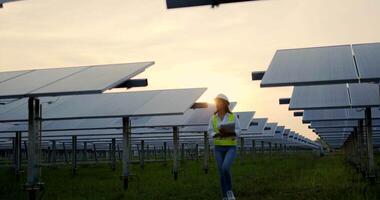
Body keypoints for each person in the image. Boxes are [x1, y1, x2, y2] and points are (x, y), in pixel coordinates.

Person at [208, 94, 241, 200]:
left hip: (230, 147)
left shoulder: (232, 116)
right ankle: (224, 196)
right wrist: (215, 135)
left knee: (225, 168)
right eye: (216, 102)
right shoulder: (213, 118)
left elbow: (239, 129)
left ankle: (229, 191)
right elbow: (210, 131)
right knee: (221, 171)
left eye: (219, 102)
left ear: (225, 103)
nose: (217, 104)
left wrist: (231, 133)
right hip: (218, 147)